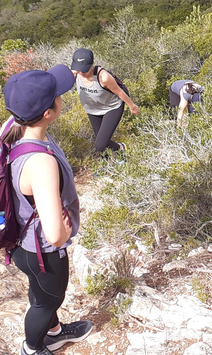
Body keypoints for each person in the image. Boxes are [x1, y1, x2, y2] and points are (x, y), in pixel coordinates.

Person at [3, 65, 93, 355]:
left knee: (39, 292)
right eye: (58, 95)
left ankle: (53, 333)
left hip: (21, 242)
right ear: (48, 113)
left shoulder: (12, 127)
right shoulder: (40, 163)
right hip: (42, 252)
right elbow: (54, 236)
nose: (62, 97)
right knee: (47, 301)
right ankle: (32, 347)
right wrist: (67, 228)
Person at [70, 48, 139, 157]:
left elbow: (120, 93)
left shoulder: (103, 77)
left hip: (112, 108)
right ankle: (106, 167)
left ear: (92, 64)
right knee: (102, 143)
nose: (81, 73)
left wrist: (132, 106)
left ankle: (121, 148)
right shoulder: (74, 74)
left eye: (84, 70)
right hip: (92, 110)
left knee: (100, 145)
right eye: (78, 70)